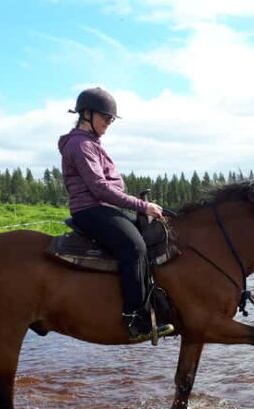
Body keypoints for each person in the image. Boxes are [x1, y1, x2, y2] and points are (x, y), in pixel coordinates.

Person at [58, 87, 174, 342]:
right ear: (86, 114)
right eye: (105, 117)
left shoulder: (91, 143)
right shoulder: (80, 145)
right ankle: (135, 319)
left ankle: (157, 303)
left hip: (104, 207)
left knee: (154, 234)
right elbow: (100, 188)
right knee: (134, 247)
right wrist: (142, 206)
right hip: (91, 209)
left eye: (111, 120)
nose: (108, 123)